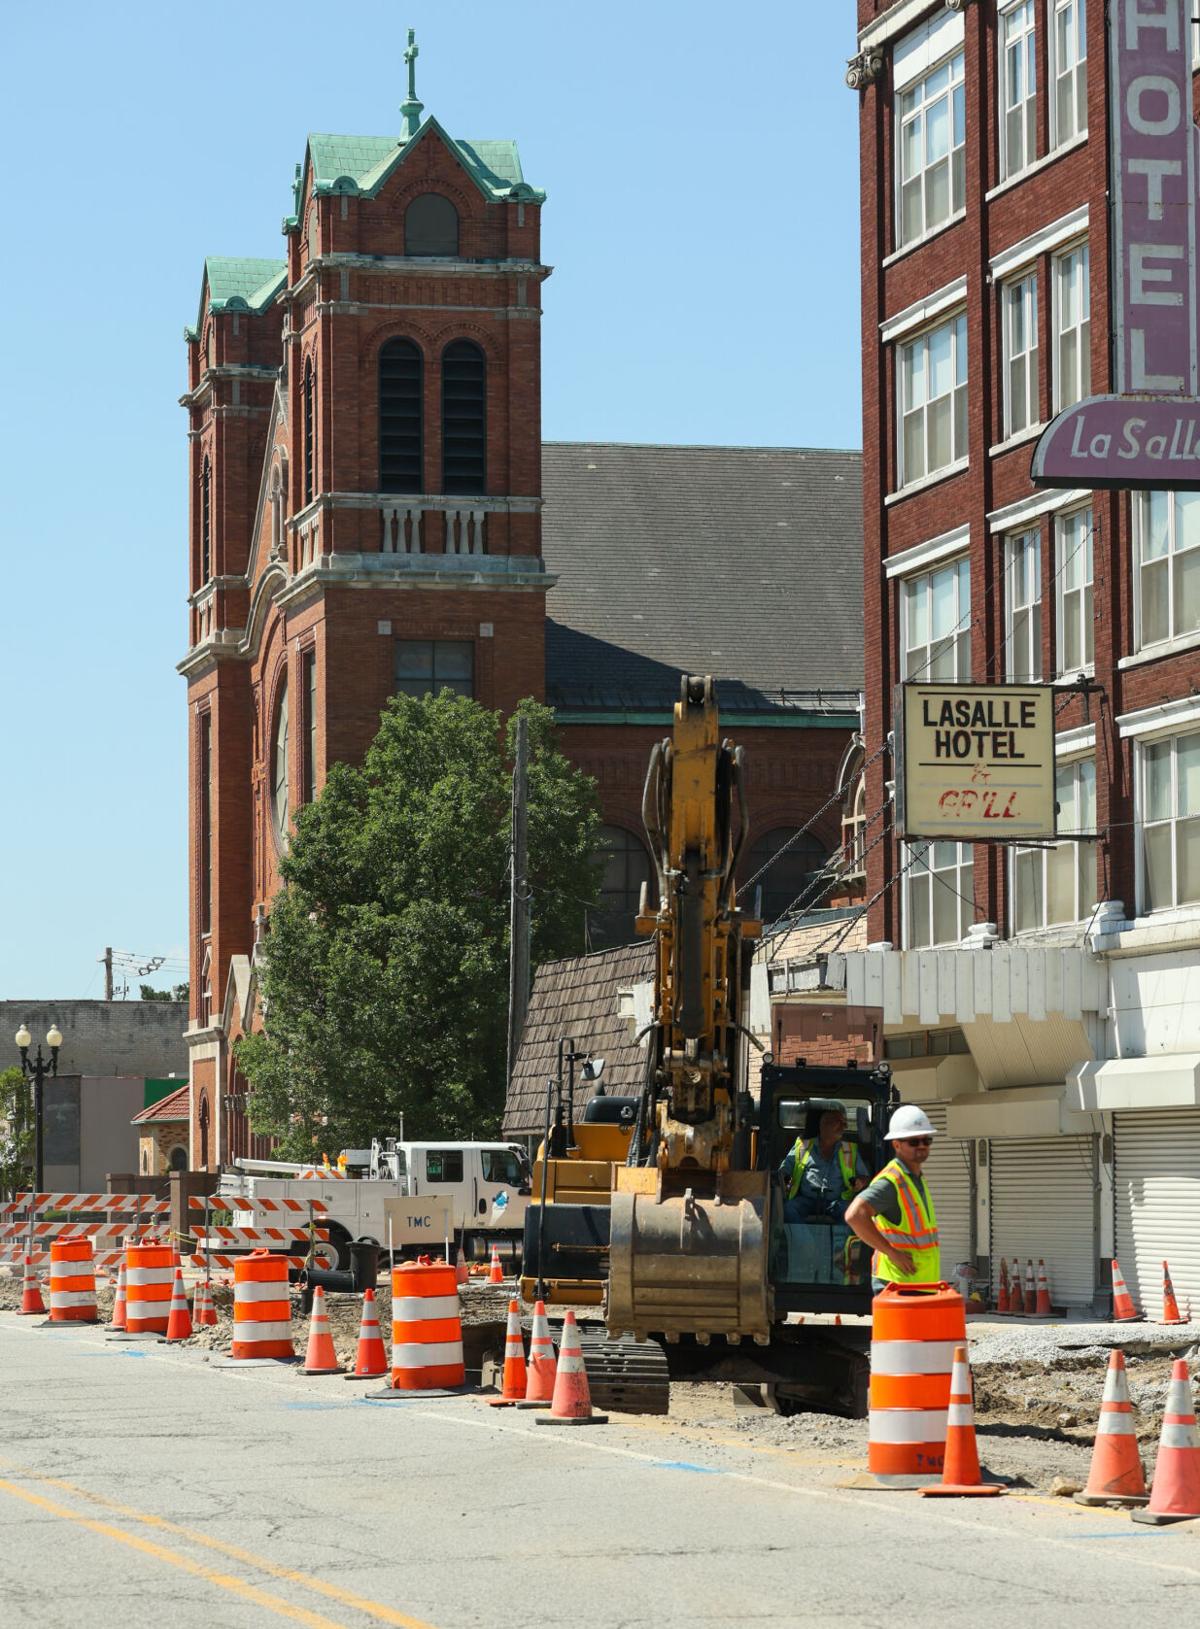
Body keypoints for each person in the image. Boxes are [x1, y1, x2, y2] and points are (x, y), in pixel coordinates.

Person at [845, 1103, 939, 1292]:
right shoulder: (892, 1181)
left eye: (926, 1140)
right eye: (913, 1141)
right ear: (896, 1145)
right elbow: (854, 1215)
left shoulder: (916, 1179)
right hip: (897, 1284)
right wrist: (891, 1252)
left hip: (919, 1284)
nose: (921, 1146)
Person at [778, 1103, 868, 1223]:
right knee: (789, 1209)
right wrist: (786, 1180)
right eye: (839, 1122)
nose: (844, 1126)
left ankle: (842, 1242)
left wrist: (860, 1182)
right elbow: (784, 1170)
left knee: (851, 1213)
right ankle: (805, 1241)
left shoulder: (850, 1150)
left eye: (844, 1122)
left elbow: (865, 1177)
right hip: (806, 1199)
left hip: (837, 1201)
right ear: (824, 1124)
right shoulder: (802, 1146)